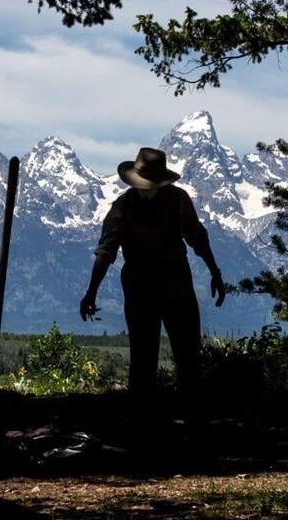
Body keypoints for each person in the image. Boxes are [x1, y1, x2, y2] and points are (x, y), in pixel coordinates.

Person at [80, 147, 225, 428]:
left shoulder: (172, 201)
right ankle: (147, 422)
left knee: (185, 354)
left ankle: (185, 420)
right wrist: (91, 291)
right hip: (150, 287)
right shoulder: (126, 207)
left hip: (166, 286)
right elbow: (105, 253)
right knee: (146, 356)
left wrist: (215, 272)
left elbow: (198, 238)